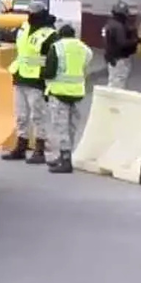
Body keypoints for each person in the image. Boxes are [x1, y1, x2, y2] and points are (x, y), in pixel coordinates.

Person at [2, 2, 58, 164]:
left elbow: (52, 59)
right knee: (21, 114)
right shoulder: (25, 27)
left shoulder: (49, 33)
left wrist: (48, 78)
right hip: (20, 76)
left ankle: (39, 149)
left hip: (37, 79)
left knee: (37, 115)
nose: (30, 16)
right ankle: (21, 146)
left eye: (33, 13)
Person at [42, 23, 93, 174]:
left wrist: (43, 76)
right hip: (77, 92)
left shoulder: (56, 47)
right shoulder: (84, 48)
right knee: (72, 126)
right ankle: (66, 155)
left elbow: (50, 71)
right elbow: (86, 64)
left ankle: (65, 160)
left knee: (61, 126)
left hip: (59, 92)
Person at [103, 1, 139, 89]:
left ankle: (110, 100)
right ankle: (113, 102)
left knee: (113, 81)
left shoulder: (110, 24)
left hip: (112, 59)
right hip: (119, 60)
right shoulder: (118, 26)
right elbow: (122, 43)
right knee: (118, 84)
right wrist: (135, 41)